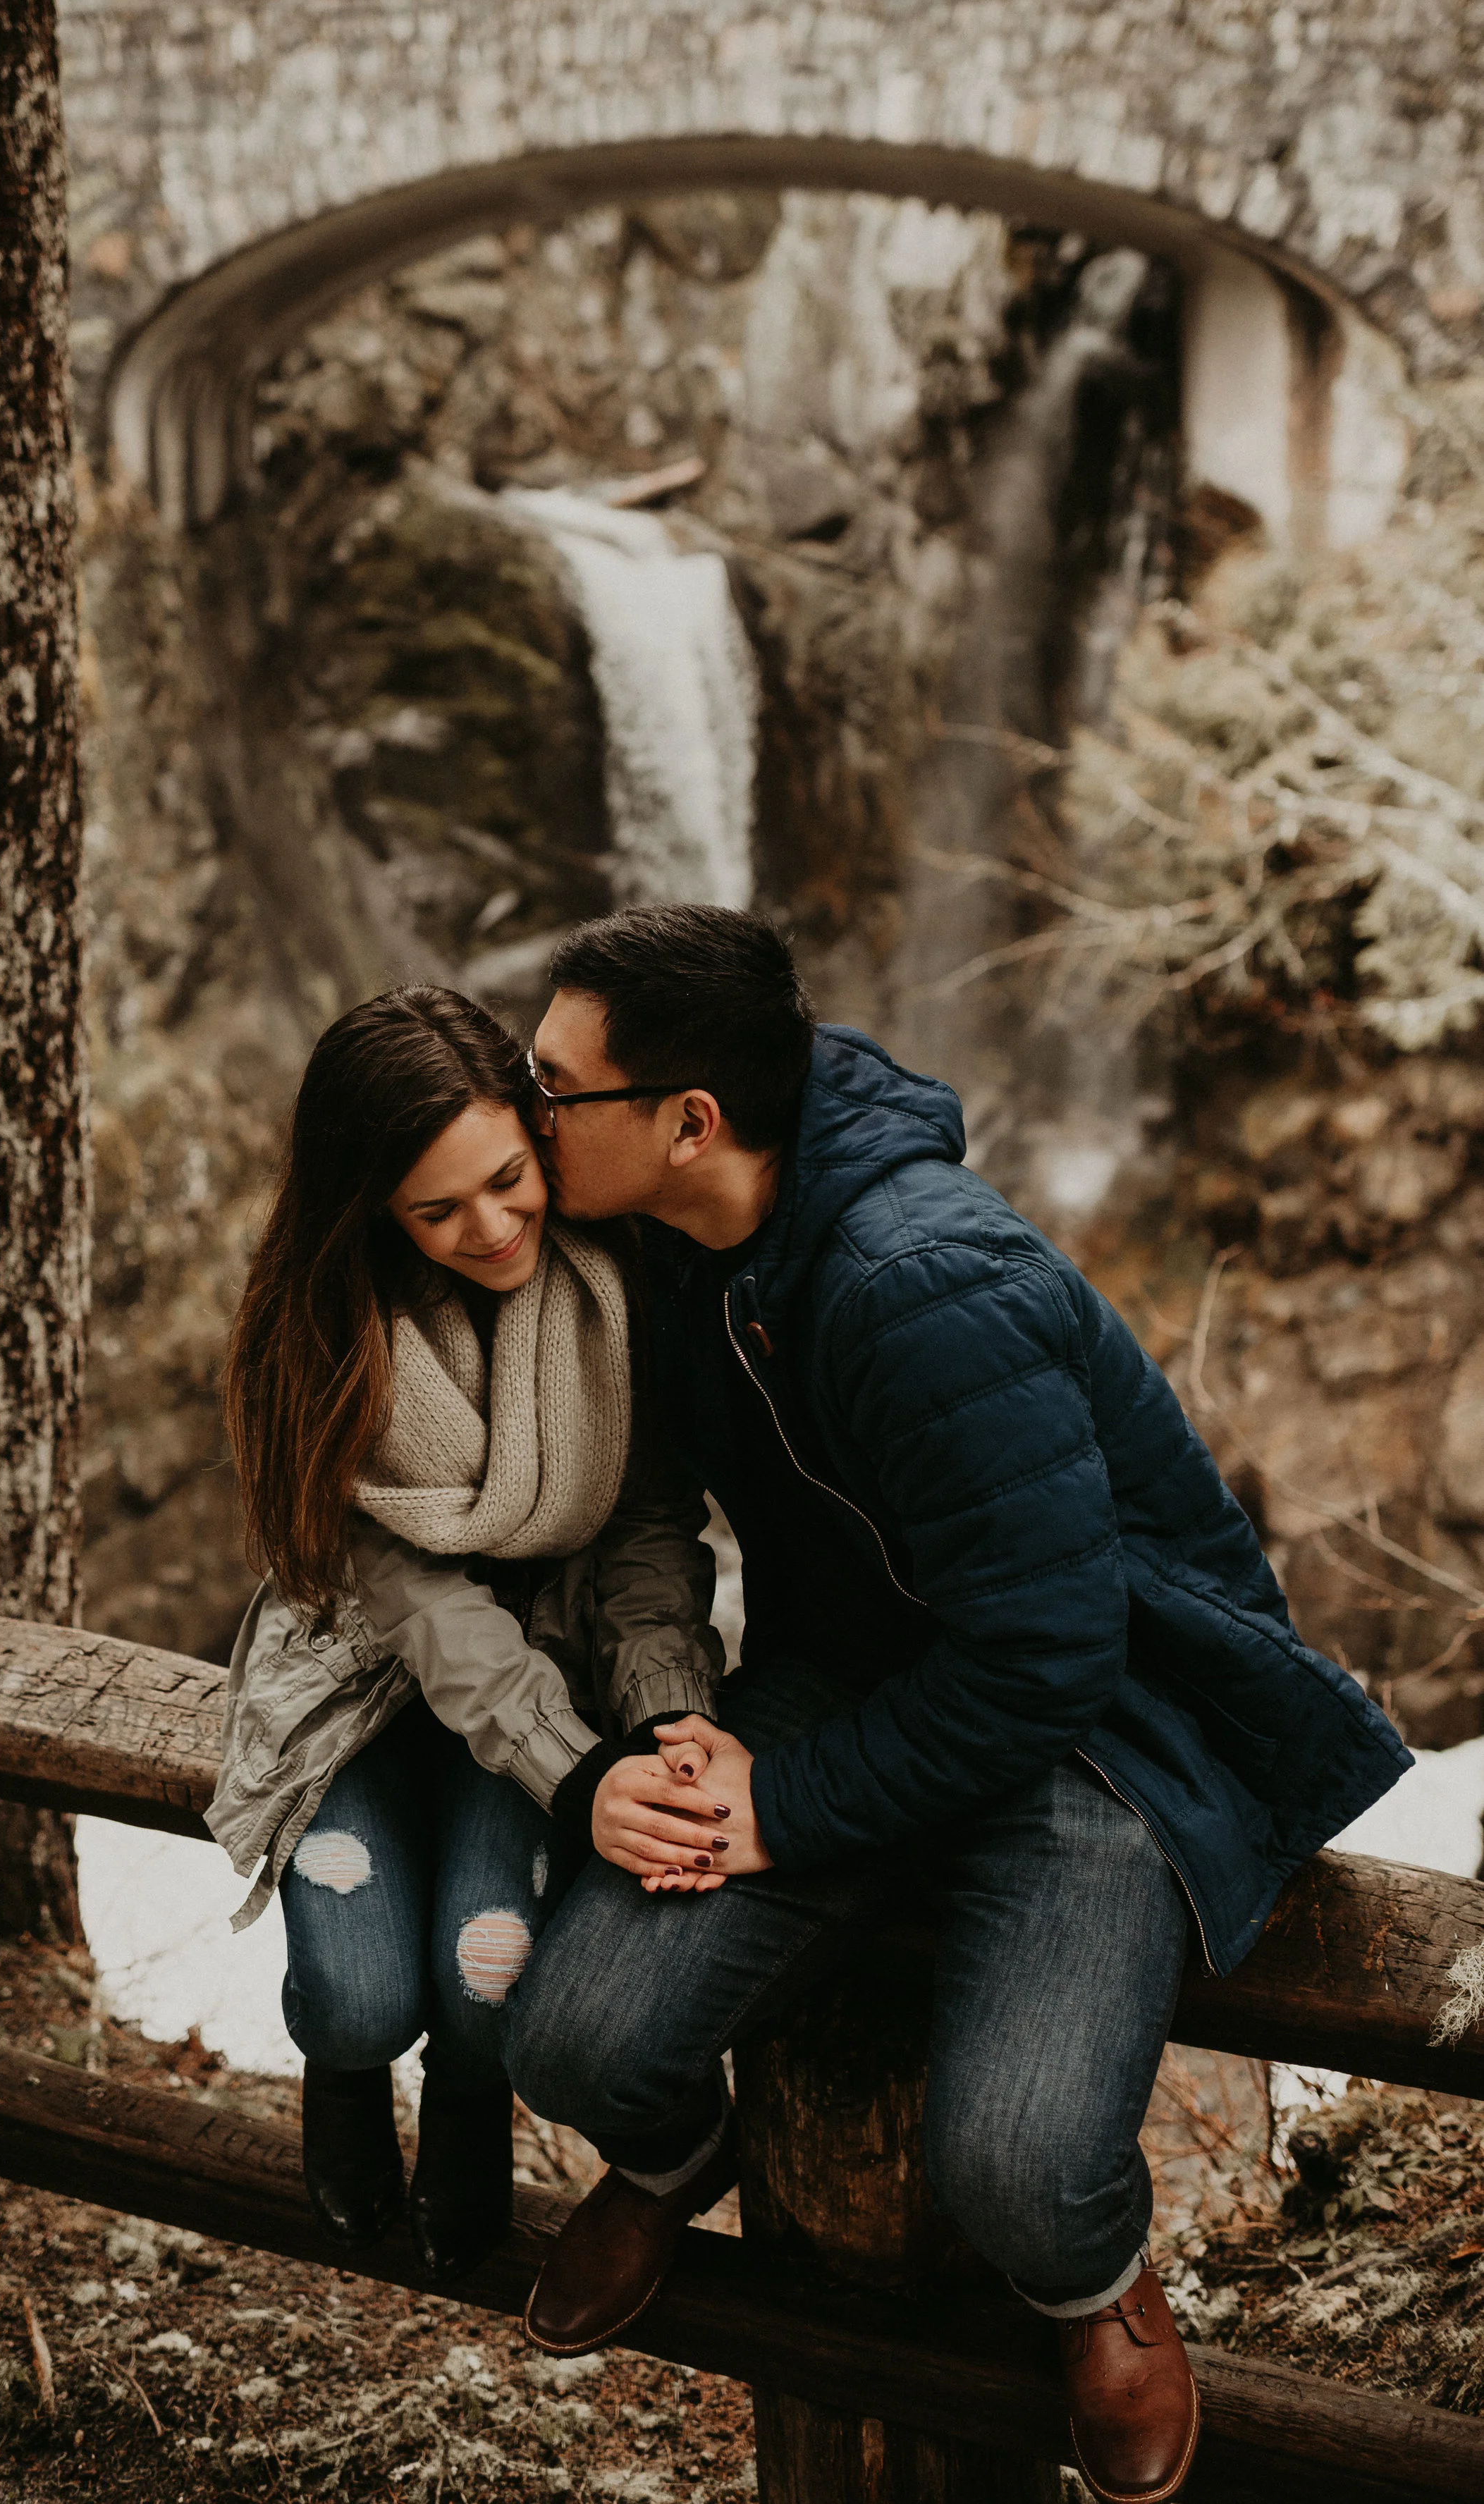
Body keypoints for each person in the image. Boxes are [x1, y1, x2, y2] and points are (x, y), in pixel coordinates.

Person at [501, 905, 1410, 2504]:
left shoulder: (921, 1285)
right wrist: (671, 1731)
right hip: (855, 1674)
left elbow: (1046, 1657)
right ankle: (672, 2158)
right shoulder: (658, 1243)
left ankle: (1089, 2283)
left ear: (686, 1123)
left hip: (1091, 1730)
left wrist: (783, 1804)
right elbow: (648, 1512)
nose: (523, 1111)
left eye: (551, 1086)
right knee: (576, 2036)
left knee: (1012, 2168)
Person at [208, 986, 725, 2288]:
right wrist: (573, 1765)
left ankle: (464, 2102)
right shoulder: (330, 1330)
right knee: (358, 1995)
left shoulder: (622, 1284)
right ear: (370, 1206)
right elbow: (423, 1611)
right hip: (369, 1688)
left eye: (508, 1180)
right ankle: (342, 2071)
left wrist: (665, 1708)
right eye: (437, 1210)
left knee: (485, 1982)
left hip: (546, 1679)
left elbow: (651, 1530)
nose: (490, 1229)